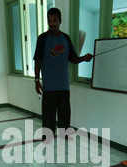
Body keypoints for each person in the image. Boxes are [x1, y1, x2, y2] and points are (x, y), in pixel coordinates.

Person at [33, 7, 93, 136]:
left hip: (64, 85)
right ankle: (47, 137)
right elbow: (37, 60)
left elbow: (73, 58)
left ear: (60, 21)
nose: (52, 23)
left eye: (55, 20)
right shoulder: (42, 38)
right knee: (48, 116)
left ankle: (65, 137)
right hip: (49, 86)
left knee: (64, 115)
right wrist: (37, 81)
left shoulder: (65, 38)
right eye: (49, 20)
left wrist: (84, 58)